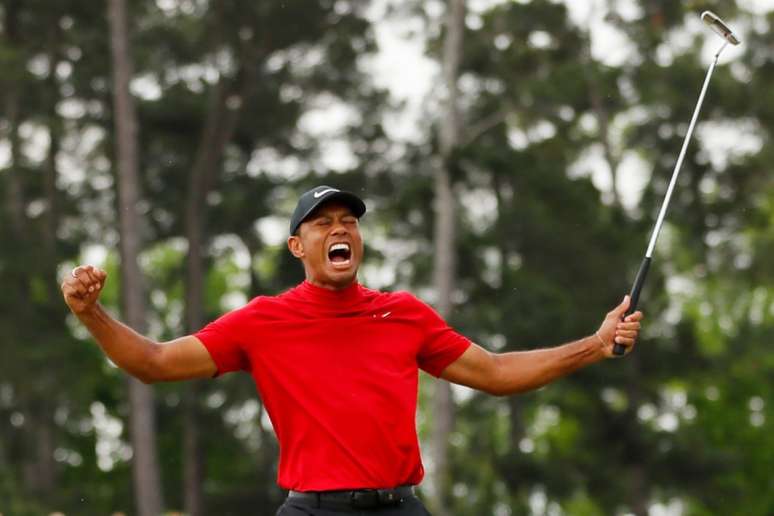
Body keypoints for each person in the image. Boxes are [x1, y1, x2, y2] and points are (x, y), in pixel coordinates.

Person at [61, 185, 643, 515]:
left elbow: (493, 372)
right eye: (322, 224)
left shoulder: (403, 314)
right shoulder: (264, 321)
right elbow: (153, 363)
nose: (340, 230)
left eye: (348, 222)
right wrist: (92, 314)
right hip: (315, 513)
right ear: (298, 245)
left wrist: (594, 345)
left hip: (401, 509)